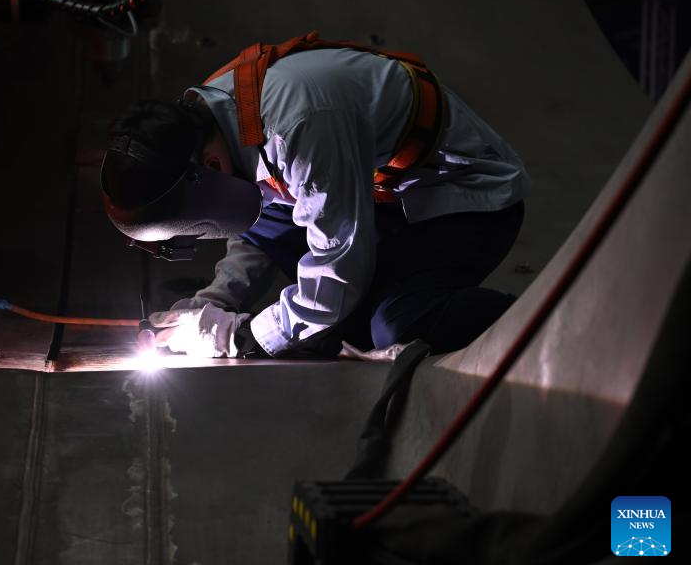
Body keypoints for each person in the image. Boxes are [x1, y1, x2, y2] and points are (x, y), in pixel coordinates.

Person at [100, 33, 529, 359]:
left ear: (209, 167)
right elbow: (264, 221)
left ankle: (540, 320)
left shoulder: (298, 126)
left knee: (395, 326)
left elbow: (340, 266)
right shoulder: (213, 117)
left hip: (463, 196)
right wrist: (214, 301)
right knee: (340, 323)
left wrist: (245, 336)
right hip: (382, 197)